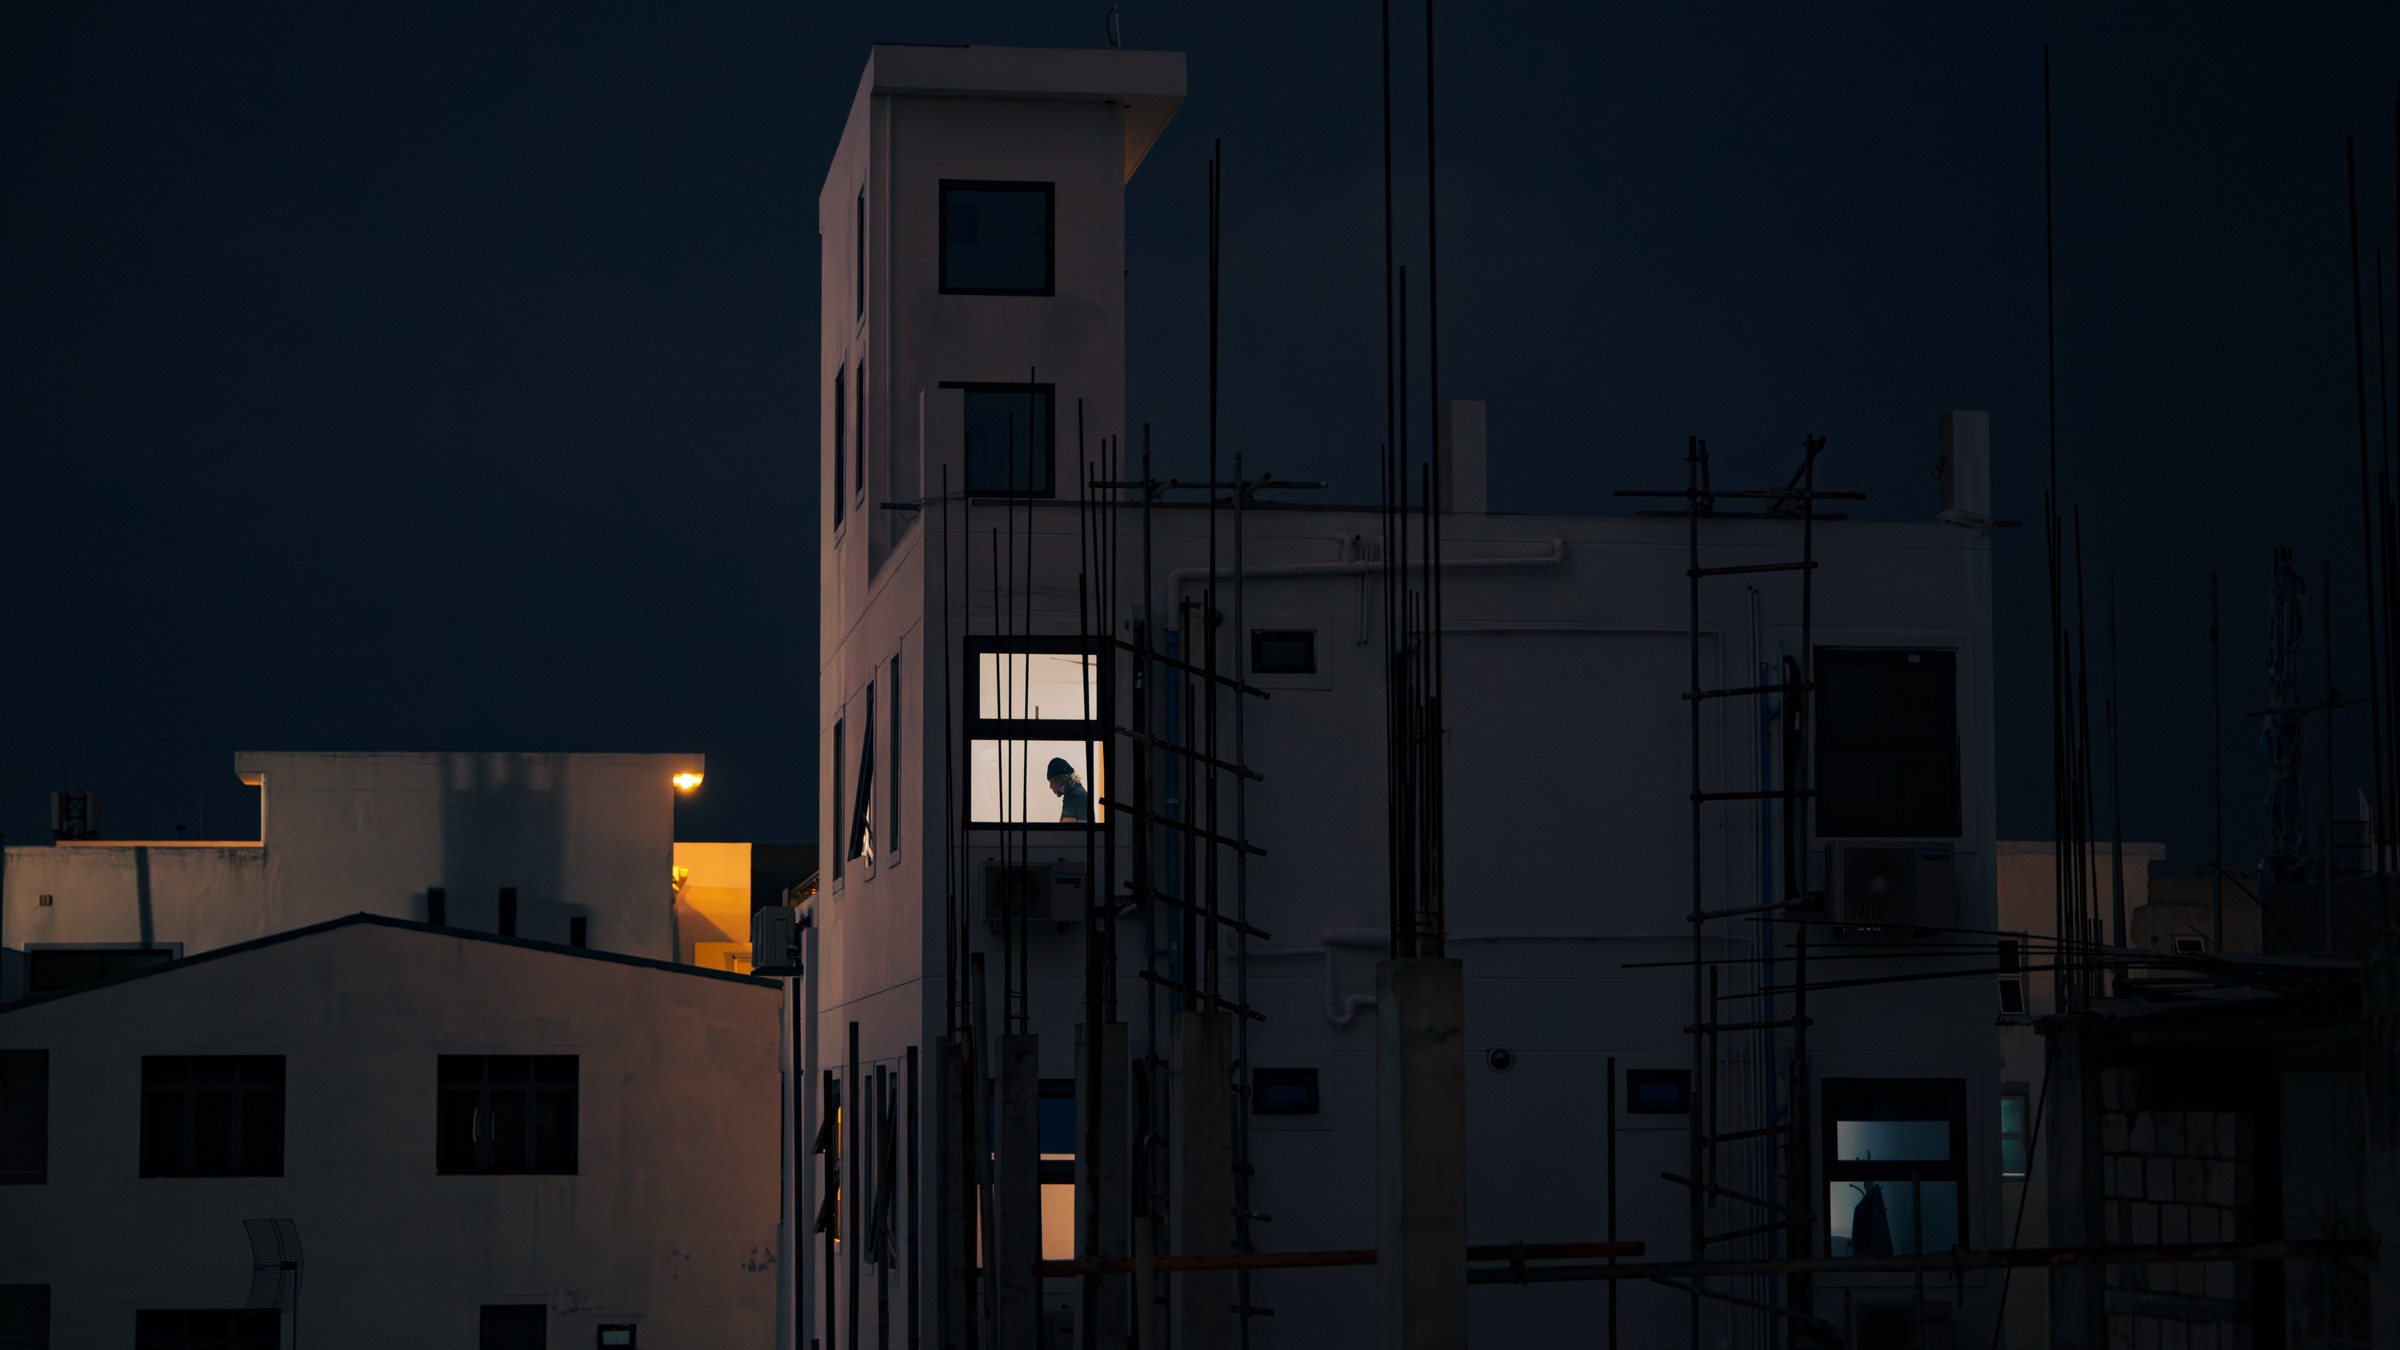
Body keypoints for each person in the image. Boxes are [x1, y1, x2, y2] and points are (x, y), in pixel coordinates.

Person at [1046, 756, 1092, 823]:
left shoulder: (1073, 796)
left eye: (1053, 782)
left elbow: (1066, 830)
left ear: (1061, 779)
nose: (1051, 786)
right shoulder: (1079, 791)